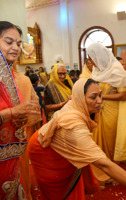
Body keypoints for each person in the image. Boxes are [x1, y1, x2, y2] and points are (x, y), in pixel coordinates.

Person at [28, 78, 126, 200]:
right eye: (93, 97)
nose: (99, 101)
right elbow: (104, 165)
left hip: (53, 145)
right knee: (58, 192)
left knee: (72, 182)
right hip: (44, 153)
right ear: (80, 97)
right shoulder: (73, 126)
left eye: (100, 95)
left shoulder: (76, 105)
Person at [87, 43, 126, 185]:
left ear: (99, 57)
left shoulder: (116, 71)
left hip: (112, 113)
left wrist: (102, 97)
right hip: (99, 111)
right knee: (98, 144)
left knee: (110, 144)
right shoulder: (98, 71)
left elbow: (123, 95)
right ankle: (101, 172)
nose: (91, 62)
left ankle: (112, 173)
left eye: (92, 58)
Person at [0, 21, 41, 199]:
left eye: (18, 43)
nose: (16, 48)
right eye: (9, 42)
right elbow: (12, 111)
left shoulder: (14, 79)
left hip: (13, 156)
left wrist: (21, 117)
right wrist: (13, 113)